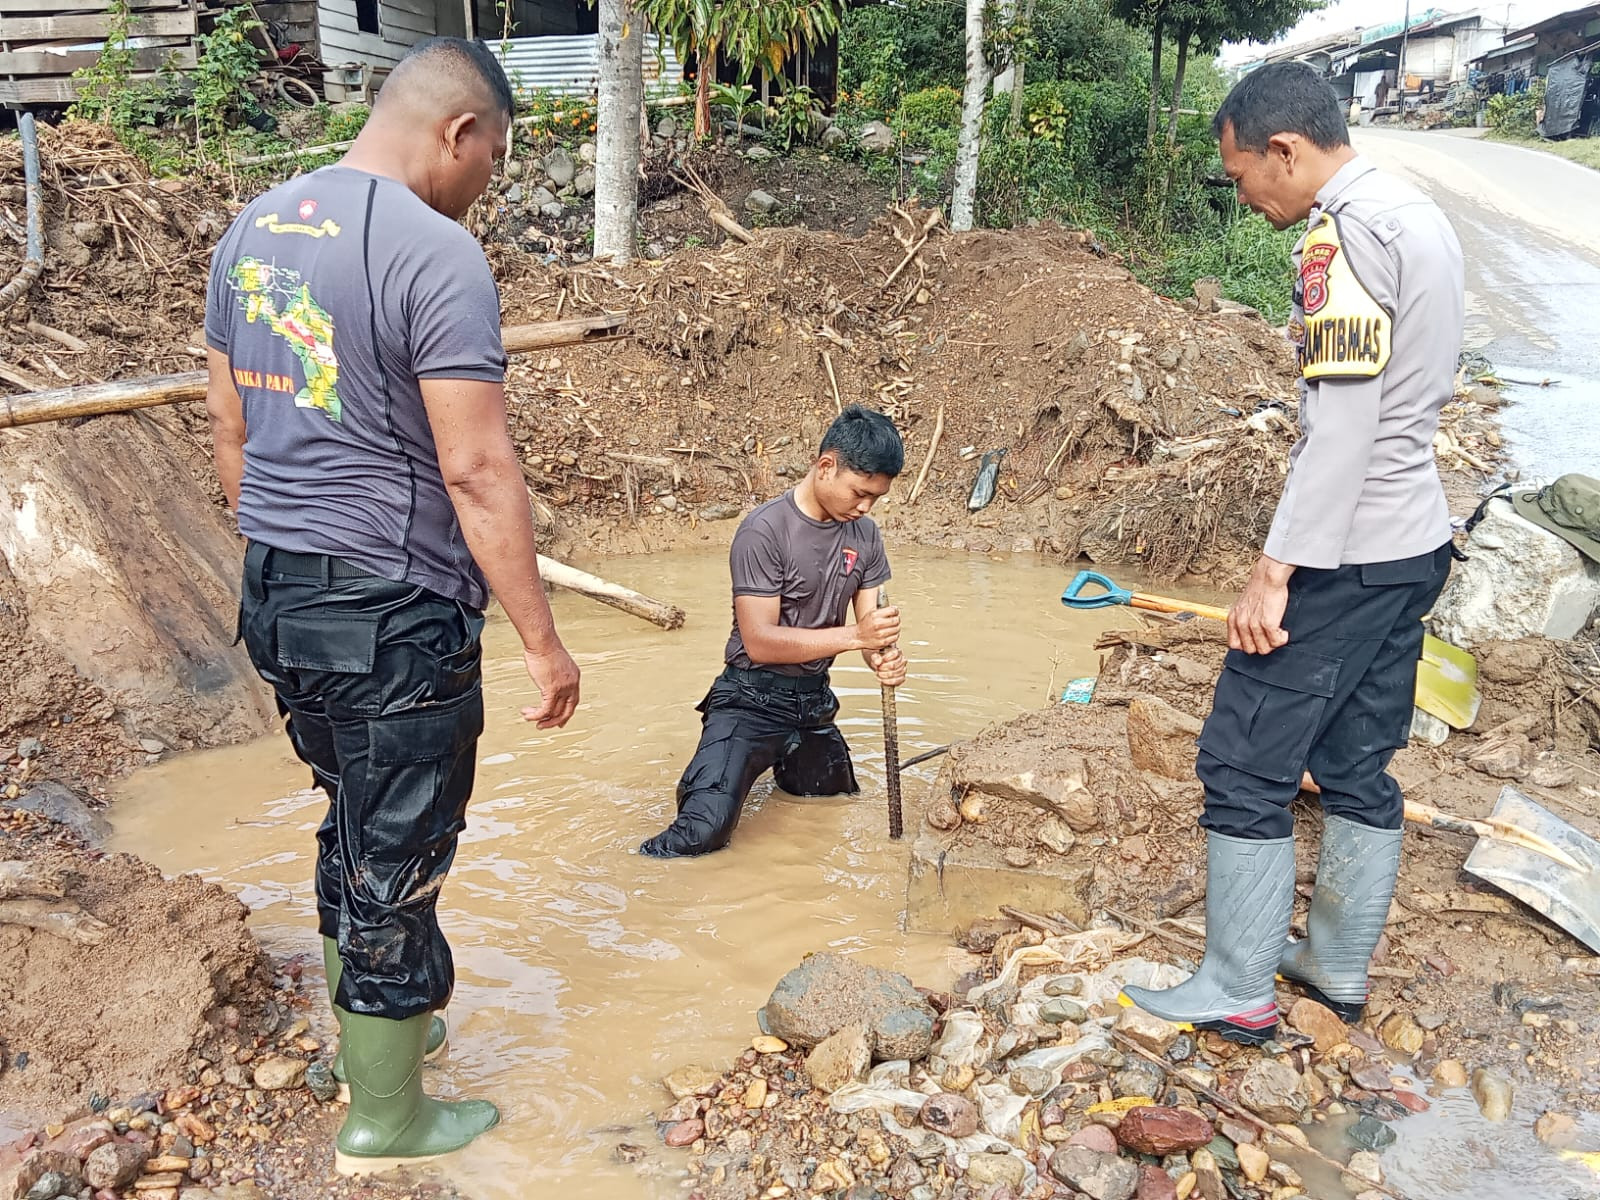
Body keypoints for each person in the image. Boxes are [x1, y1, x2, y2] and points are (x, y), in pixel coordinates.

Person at [203, 37, 581, 1174]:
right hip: (392, 612)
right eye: (496, 160)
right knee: (399, 855)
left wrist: (292, 555)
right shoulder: (436, 254)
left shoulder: (253, 227)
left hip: (279, 591)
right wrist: (542, 641)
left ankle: (371, 1038)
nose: (490, 183)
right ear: (459, 132)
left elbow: (231, 435)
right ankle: (386, 1119)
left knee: (353, 816)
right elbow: (476, 471)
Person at [1121, 62, 1461, 1043]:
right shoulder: (1415, 213)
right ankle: (1336, 965)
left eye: (1238, 176)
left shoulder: (1343, 239)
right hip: (1415, 542)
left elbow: (1344, 427)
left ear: (1284, 150)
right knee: (1356, 759)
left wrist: (1275, 570)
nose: (1242, 195)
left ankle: (1233, 985)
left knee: (1241, 762)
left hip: (1349, 555)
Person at [639, 406, 907, 858]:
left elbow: (869, 625)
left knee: (834, 801)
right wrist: (858, 637)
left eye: (875, 499)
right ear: (826, 467)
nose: (865, 507)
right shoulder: (764, 531)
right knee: (701, 834)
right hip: (750, 698)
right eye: (860, 493)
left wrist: (882, 654)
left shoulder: (864, 535)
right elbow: (760, 641)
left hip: (812, 701)